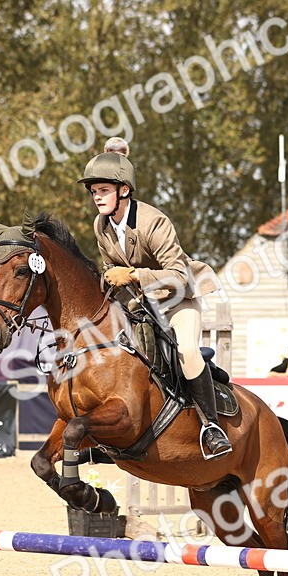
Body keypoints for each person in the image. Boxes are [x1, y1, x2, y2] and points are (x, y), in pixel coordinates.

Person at [78, 137, 231, 459]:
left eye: (103, 190)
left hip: (178, 299)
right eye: (93, 192)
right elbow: (110, 266)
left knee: (187, 351)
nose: (97, 198)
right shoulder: (101, 224)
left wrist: (133, 276)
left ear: (123, 190)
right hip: (141, 305)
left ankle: (211, 426)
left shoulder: (153, 221)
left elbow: (178, 274)